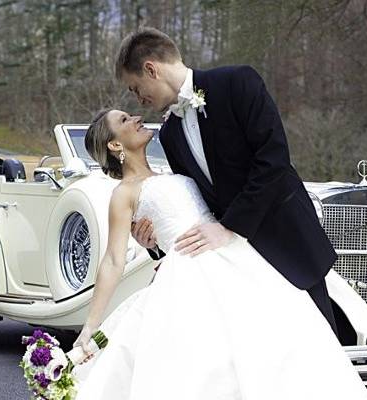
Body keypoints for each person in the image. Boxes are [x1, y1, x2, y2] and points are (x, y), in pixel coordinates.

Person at [69, 108, 367, 400]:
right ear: (114, 144)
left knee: (278, 339)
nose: (135, 117)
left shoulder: (171, 171)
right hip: (190, 273)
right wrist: (90, 326)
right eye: (124, 119)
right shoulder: (124, 193)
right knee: (211, 359)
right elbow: (113, 259)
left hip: (234, 253)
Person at [122, 26, 340, 336]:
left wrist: (231, 227)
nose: (138, 99)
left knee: (317, 349)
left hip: (288, 243)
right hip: (232, 267)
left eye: (135, 87)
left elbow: (273, 158)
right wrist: (155, 246)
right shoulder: (170, 134)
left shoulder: (238, 81)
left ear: (151, 69)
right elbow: (194, 205)